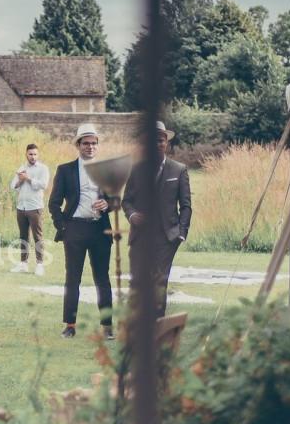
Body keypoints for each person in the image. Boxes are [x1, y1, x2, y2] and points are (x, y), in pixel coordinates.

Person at [48, 123, 118, 340]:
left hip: (100, 230)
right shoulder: (65, 170)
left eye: (94, 143)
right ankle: (70, 325)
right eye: (86, 143)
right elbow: (54, 203)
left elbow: (117, 200)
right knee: (73, 279)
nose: (90, 147)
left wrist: (108, 205)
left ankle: (107, 326)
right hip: (75, 229)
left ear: (98, 146)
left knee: (102, 279)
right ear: (78, 145)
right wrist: (63, 227)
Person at [121, 121, 191, 318]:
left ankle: (157, 325)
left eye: (161, 141)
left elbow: (185, 205)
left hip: (166, 237)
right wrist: (133, 215)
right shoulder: (136, 169)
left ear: (166, 143)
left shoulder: (179, 170)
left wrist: (181, 233)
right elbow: (127, 201)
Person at [10, 142, 49, 276]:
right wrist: (20, 180)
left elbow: (43, 185)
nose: (33, 157)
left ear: (38, 155)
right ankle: (23, 264)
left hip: (35, 207)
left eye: (35, 154)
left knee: (37, 236)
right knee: (23, 237)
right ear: (26, 154)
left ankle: (39, 264)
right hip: (21, 207)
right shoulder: (21, 168)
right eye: (30, 154)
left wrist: (28, 178)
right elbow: (12, 186)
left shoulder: (43, 169)